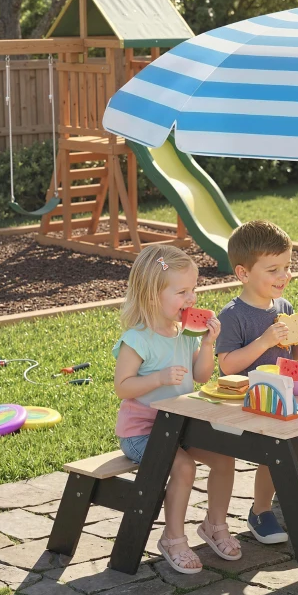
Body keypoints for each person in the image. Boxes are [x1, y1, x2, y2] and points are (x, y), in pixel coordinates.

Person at [113, 244, 241, 574]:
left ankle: (214, 525)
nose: (192, 298)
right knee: (184, 468)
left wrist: (208, 343)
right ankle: (172, 538)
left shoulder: (185, 333)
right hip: (141, 431)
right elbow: (122, 387)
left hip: (181, 426)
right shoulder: (137, 339)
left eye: (193, 289)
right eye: (182, 291)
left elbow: (201, 376)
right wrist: (157, 377)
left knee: (225, 459)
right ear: (152, 294)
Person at [215, 220, 298, 544]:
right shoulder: (233, 315)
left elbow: (291, 359)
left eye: (287, 267)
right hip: (249, 402)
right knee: (276, 448)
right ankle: (261, 510)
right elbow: (226, 366)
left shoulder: (284, 308)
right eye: (274, 269)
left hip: (285, 394)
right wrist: (263, 342)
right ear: (243, 273)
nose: (284, 276)